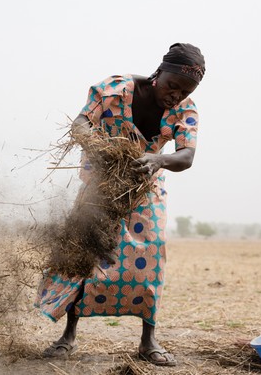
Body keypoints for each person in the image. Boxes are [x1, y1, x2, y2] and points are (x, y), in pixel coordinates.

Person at [35, 43, 205, 367]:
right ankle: (68, 336)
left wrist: (158, 159)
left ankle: (148, 340)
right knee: (82, 255)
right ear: (159, 72)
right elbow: (80, 123)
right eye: (172, 85)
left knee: (151, 257)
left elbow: (187, 156)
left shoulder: (186, 110)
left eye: (184, 91)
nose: (175, 95)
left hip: (145, 190)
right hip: (100, 186)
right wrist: (96, 145)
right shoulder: (113, 90)